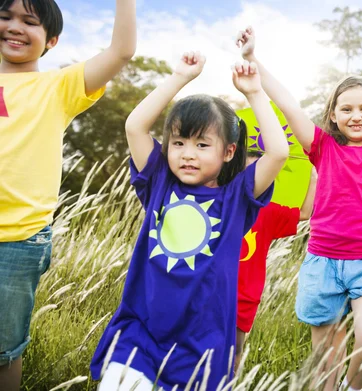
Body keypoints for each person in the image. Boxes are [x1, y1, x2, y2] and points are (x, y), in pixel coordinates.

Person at [235, 7, 362, 390]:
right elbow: (288, 105)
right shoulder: (321, 147)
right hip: (324, 262)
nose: (356, 116)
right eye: (346, 109)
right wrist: (254, 61)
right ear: (333, 115)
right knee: (325, 366)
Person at [89, 52, 289, 390]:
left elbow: (278, 153)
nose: (188, 153)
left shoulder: (236, 198)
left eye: (201, 144)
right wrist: (179, 77)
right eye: (178, 142)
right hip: (141, 330)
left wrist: (254, 93)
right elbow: (135, 126)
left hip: (202, 343)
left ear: (228, 151)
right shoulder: (158, 182)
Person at [0, 1, 137, 389]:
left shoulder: (57, 86)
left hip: (16, 240)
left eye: (30, 21)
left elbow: (121, 51)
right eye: (5, 17)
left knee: (4, 350)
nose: (14, 27)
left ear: (52, 40)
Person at [235, 157, 317, 371]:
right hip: (212, 292)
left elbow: (305, 213)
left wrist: (313, 177)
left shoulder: (267, 211)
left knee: (234, 351)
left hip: (244, 296)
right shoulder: (218, 203)